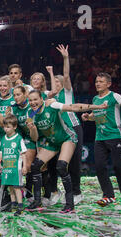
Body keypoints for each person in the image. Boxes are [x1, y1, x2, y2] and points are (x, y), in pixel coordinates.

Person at [26, 90, 108, 213]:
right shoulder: (30, 114)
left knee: (61, 166)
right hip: (52, 142)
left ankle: (70, 204)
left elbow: (73, 107)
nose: (33, 102)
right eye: (30, 100)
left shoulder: (52, 105)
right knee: (35, 166)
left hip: (67, 138)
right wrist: (32, 128)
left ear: (41, 99)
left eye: (35, 99)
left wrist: (97, 107)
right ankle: (37, 201)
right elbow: (35, 138)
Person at [81, 72, 121, 207]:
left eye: (101, 81)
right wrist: (88, 117)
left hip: (115, 136)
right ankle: (108, 195)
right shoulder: (95, 99)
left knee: (118, 166)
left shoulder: (114, 96)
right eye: (97, 81)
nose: (98, 83)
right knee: (99, 167)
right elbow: (96, 115)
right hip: (100, 137)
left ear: (108, 84)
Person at [45, 44, 84, 206]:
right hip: (57, 132)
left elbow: (67, 76)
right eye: (53, 82)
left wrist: (65, 58)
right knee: (53, 163)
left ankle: (76, 192)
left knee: (73, 162)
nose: (56, 84)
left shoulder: (67, 92)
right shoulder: (50, 96)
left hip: (73, 129)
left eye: (58, 81)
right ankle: (54, 191)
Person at [0, 115, 28, 215]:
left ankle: (20, 206)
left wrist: (24, 166)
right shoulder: (3, 139)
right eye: (5, 127)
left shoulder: (18, 139)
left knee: (16, 187)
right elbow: (1, 153)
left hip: (16, 168)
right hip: (6, 167)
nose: (6, 129)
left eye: (8, 127)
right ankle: (13, 204)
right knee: (10, 187)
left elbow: (23, 154)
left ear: (14, 127)